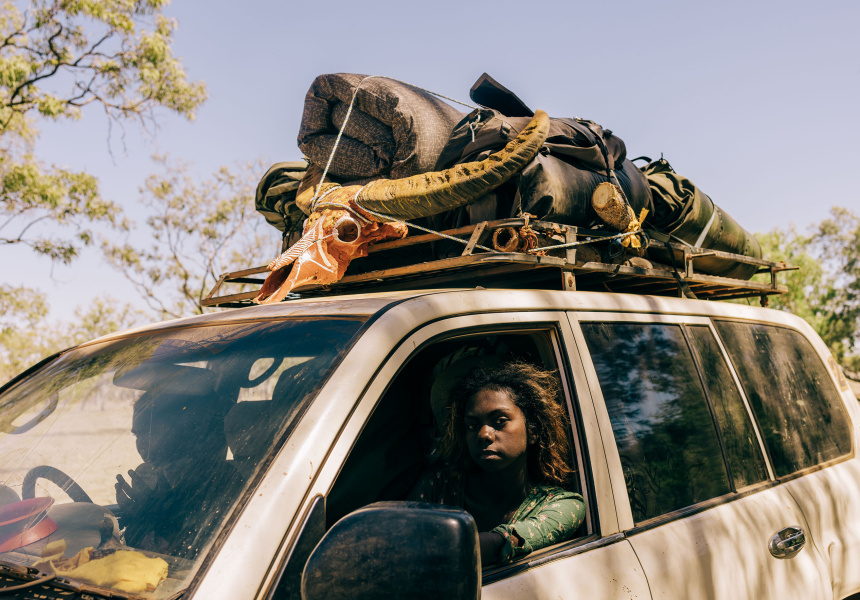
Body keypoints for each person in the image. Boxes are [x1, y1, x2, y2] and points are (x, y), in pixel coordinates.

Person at [411, 361, 585, 566]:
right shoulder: (439, 487)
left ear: (532, 431)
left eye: (500, 421)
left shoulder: (563, 504)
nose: (483, 434)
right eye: (472, 425)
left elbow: (518, 537)